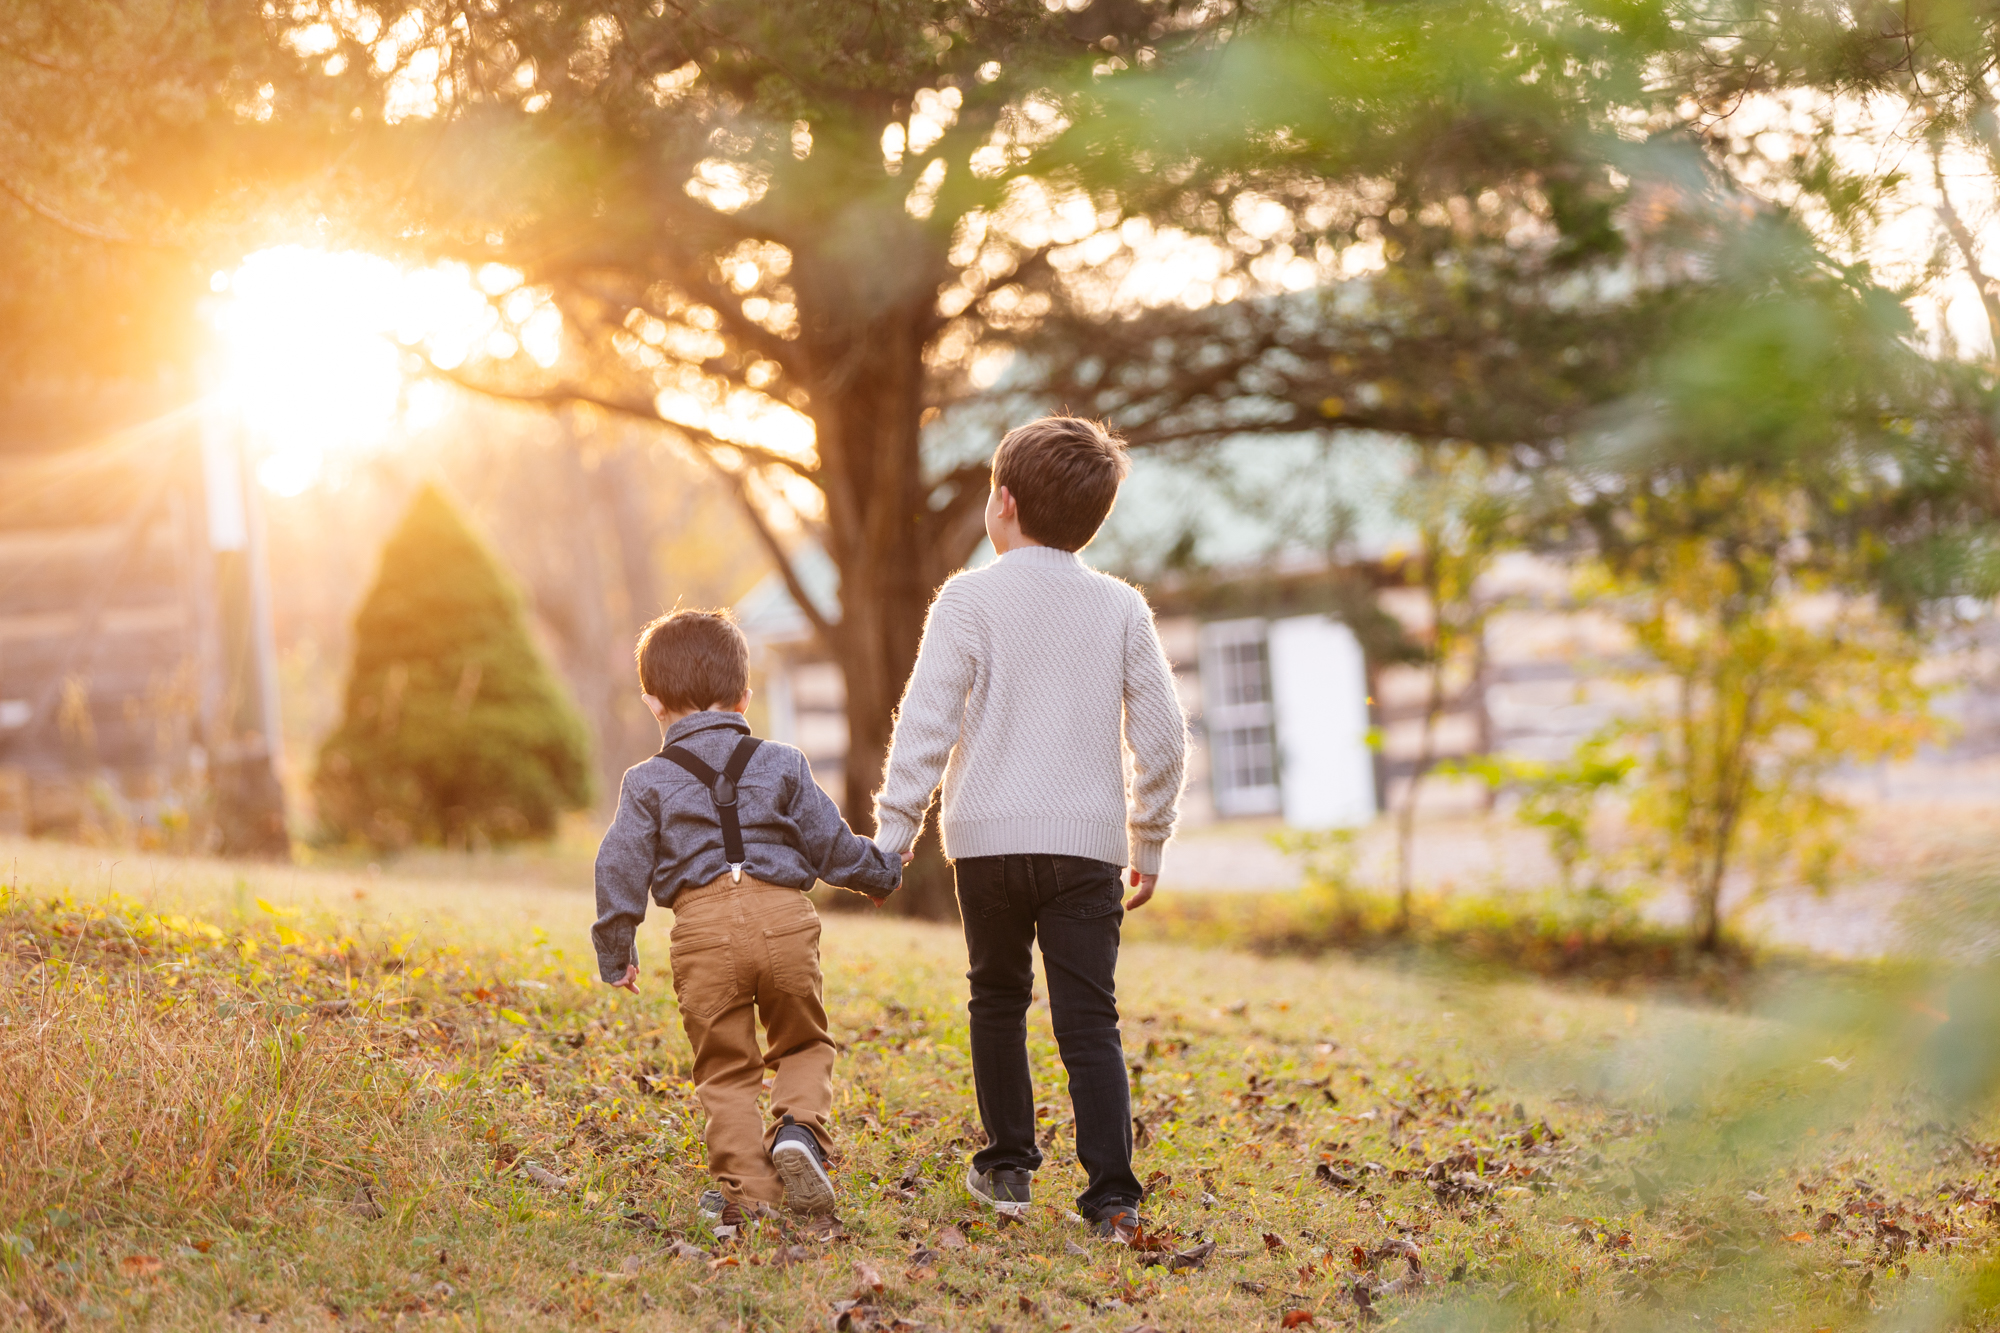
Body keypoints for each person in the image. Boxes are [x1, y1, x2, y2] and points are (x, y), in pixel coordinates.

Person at [872, 416, 1189, 1239]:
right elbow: (1161, 736)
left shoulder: (968, 597)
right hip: (1088, 846)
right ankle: (1113, 1195)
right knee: (1090, 1018)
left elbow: (926, 724)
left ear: (1002, 502)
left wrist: (895, 832)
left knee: (997, 997)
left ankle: (1008, 1163)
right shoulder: (1121, 606)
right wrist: (1148, 837)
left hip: (985, 841)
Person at [592, 609, 901, 1223]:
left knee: (727, 1068)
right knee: (805, 1041)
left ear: (654, 704)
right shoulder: (783, 762)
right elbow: (830, 846)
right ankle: (799, 1134)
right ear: (745, 697)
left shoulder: (646, 781)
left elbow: (618, 864)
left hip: (702, 931)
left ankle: (748, 1195)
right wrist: (880, 873)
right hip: (785, 919)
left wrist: (616, 946)